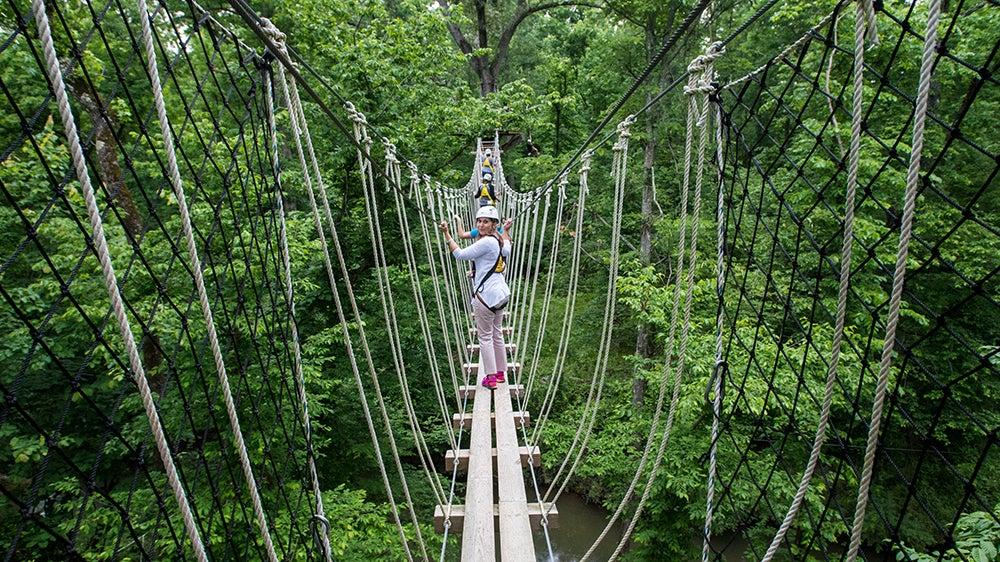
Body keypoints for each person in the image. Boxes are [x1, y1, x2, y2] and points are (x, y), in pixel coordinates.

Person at [440, 206, 513, 389]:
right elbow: (504, 253)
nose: (481, 225)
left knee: (485, 337)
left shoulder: (486, 242)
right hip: (501, 295)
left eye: (486, 221)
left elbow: (460, 254)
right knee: (497, 333)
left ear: (493, 225)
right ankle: (500, 373)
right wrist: (505, 231)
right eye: (479, 221)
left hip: (485, 298)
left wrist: (447, 235)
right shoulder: (498, 239)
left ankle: (490, 378)